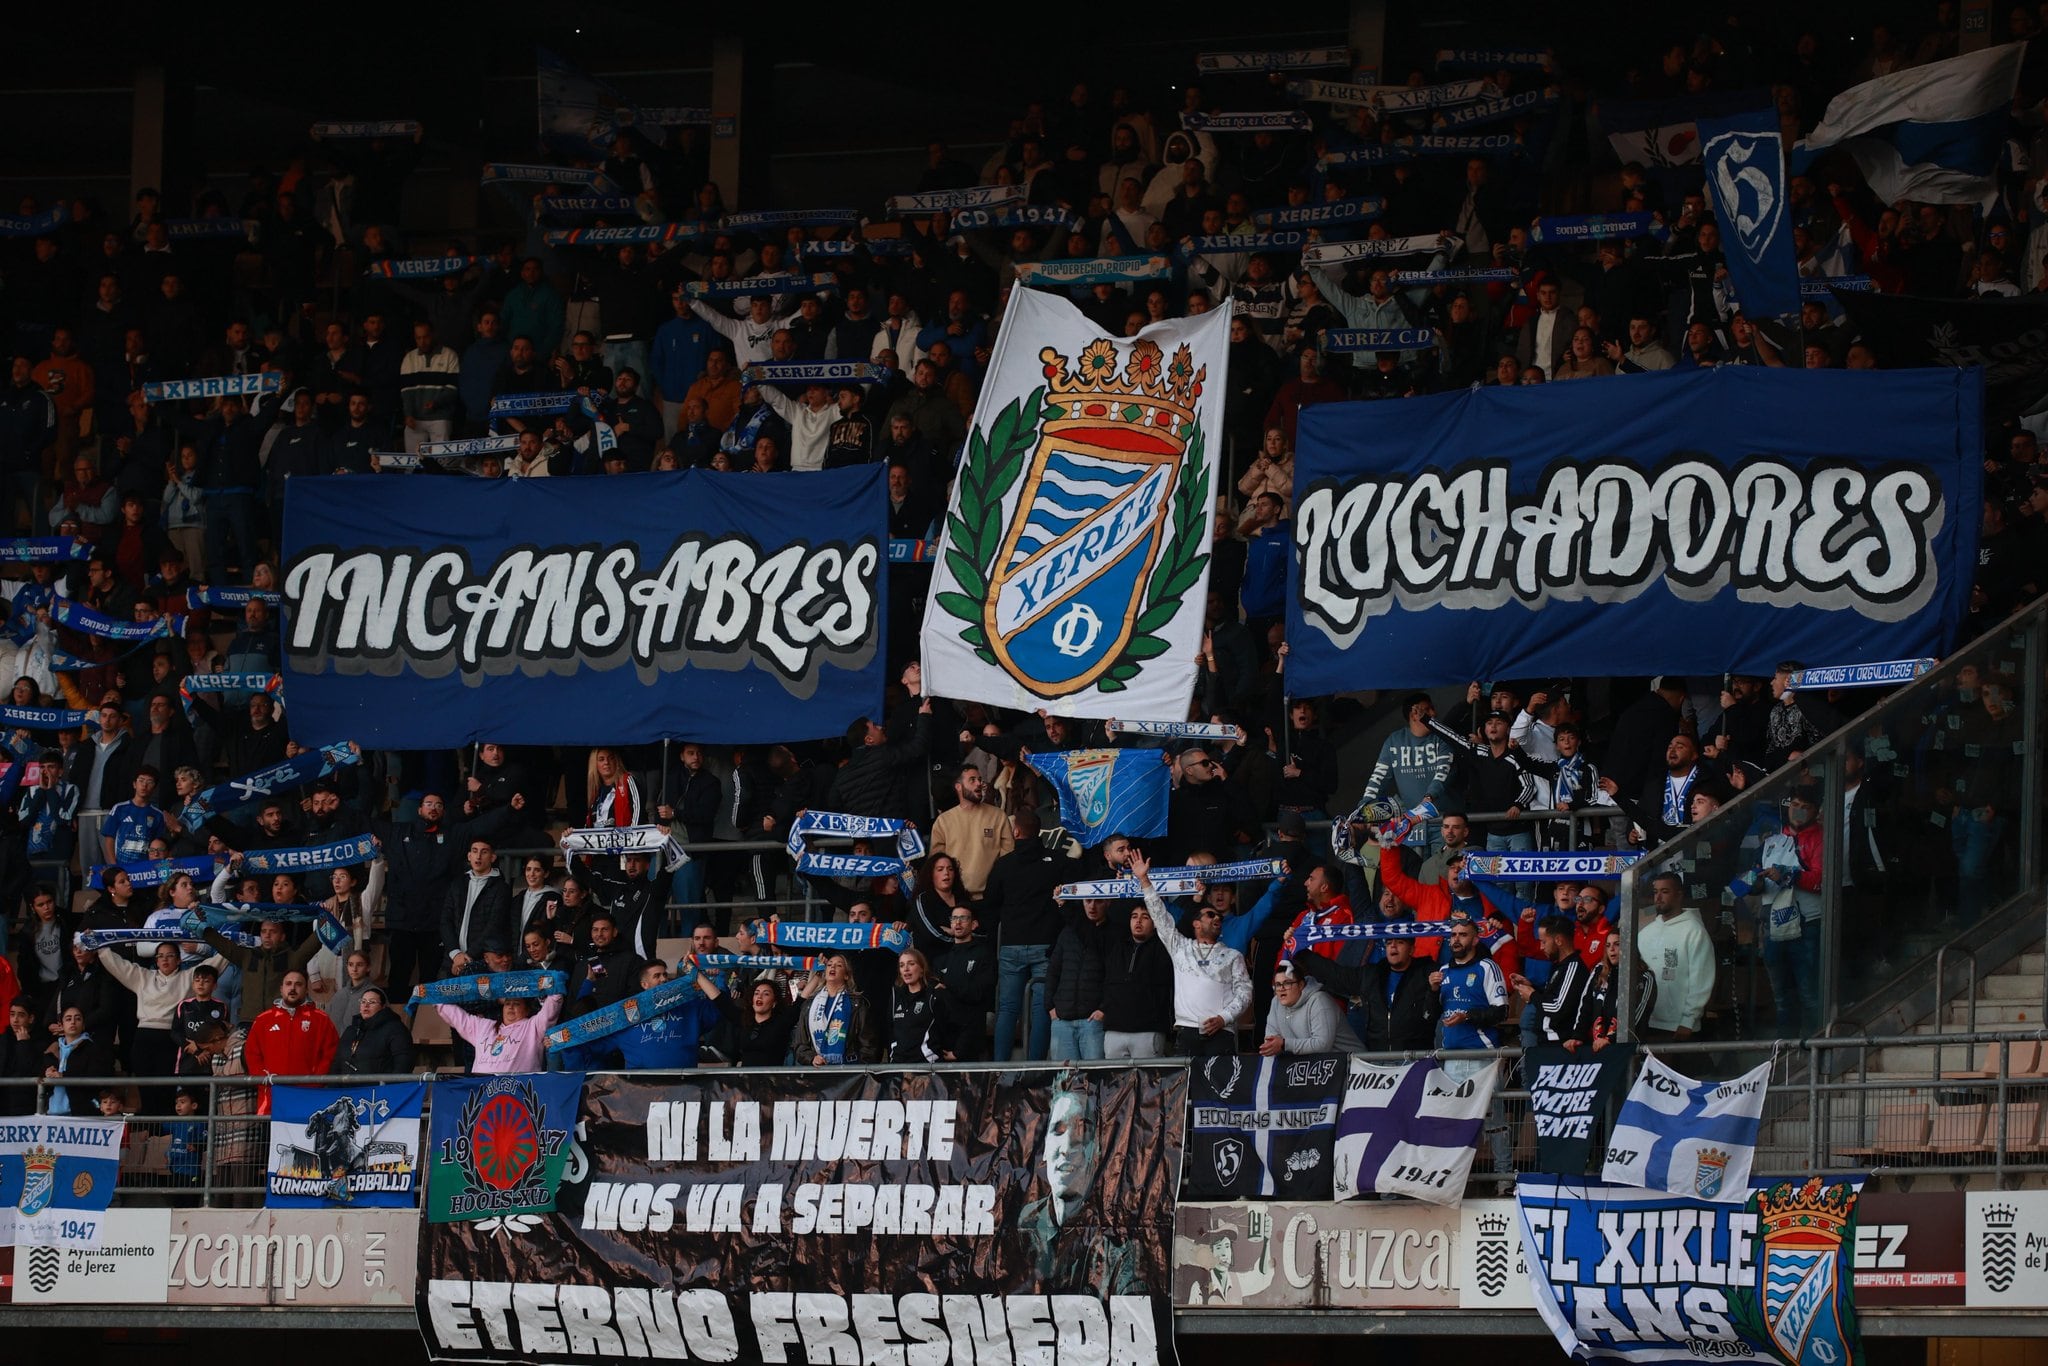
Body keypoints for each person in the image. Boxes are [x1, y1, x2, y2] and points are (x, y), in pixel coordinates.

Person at [1132, 850, 1250, 1057]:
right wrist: (1144, 880)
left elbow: (1245, 992)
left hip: (1222, 1032)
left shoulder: (1233, 955)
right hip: (1187, 1032)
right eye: (1210, 914)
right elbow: (1160, 917)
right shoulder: (1180, 947)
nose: (1216, 918)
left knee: (1221, 1089)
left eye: (1219, 918)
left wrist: (1224, 1017)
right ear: (1196, 923)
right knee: (1186, 1089)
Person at [982, 809, 1067, 1062]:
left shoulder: (1003, 865)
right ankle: (1036, 1067)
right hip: (1046, 946)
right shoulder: (1059, 862)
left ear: (1016, 832)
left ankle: (999, 1067)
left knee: (1007, 1009)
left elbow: (990, 906)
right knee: (1041, 1009)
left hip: (1011, 946)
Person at [1292, 931, 1440, 1051]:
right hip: (1378, 1060)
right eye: (1389, 942)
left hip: (1416, 1061)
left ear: (1412, 949)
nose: (1393, 946)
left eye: (1400, 942)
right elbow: (1336, 975)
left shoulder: (1426, 973)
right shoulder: (1372, 975)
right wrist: (1299, 951)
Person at [1638, 870, 1715, 1043]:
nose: (1658, 897)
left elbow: (1701, 980)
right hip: (1645, 1021)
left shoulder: (1694, 931)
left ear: (1679, 895)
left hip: (1678, 1026)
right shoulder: (1646, 933)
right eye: (1655, 892)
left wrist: (1689, 1020)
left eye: (1665, 892)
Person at [243, 970, 338, 1111]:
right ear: (281, 989)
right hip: (272, 1099)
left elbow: (331, 1053)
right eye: (288, 984)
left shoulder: (321, 1019)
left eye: (298, 984)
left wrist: (315, 1081)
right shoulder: (263, 1020)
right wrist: (264, 1078)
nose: (293, 988)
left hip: (309, 1098)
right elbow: (252, 1054)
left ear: (306, 989)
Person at [926, 763, 1013, 898]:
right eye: (972, 780)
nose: (978, 783)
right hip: (955, 898)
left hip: (991, 897)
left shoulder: (998, 816)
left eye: (979, 779)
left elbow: (1008, 859)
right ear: (958, 787)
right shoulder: (943, 821)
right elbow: (936, 863)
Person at [1510, 915, 1594, 1047]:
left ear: (1559, 940)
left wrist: (1532, 995)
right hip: (1547, 1044)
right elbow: (1555, 997)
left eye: (1544, 942)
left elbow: (1558, 1007)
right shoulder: (1559, 966)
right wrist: (1532, 987)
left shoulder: (1573, 967)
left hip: (1560, 1046)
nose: (1541, 947)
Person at [437, 990, 563, 1075]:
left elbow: (552, 1006)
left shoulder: (533, 1026)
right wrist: (436, 998)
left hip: (519, 1094)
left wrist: (554, 985)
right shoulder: (484, 1026)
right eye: (507, 1003)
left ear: (527, 1010)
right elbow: (459, 1018)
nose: (510, 1007)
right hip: (482, 1092)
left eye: (516, 1004)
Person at [1046, 896, 1110, 1061]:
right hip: (1062, 1020)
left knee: (1094, 1081)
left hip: (1092, 1021)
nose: (1092, 906)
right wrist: (1051, 1007)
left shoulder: (1112, 934)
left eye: (1098, 901)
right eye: (1088, 901)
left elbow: (1114, 976)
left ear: (1108, 902)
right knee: (1063, 1083)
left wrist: (1103, 1009)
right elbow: (1053, 971)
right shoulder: (1067, 933)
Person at [792, 953, 881, 1065]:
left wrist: (859, 1069)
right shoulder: (810, 1004)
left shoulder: (857, 1003)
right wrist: (811, 1058)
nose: (833, 967)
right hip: (818, 1072)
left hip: (850, 1073)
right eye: (829, 965)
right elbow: (800, 1044)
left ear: (846, 975)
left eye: (839, 965)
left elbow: (868, 1043)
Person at [1261, 959, 1363, 1054]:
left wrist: (1284, 1044)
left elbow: (1322, 1045)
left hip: (1354, 1064)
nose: (1281, 989)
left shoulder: (1320, 1001)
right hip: (1315, 1065)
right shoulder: (1276, 1002)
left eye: (1287, 983)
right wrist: (1272, 1046)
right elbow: (1271, 1039)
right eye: (1278, 984)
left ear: (1301, 985)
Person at [696, 974, 796, 1067]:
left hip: (773, 1082)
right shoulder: (744, 1020)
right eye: (756, 993)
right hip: (746, 1082)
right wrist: (696, 973)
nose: (759, 996)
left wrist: (812, 966)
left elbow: (802, 999)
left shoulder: (782, 1022)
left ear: (774, 1003)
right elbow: (719, 999)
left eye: (766, 994)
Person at [42, 1004, 114, 1116]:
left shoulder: (93, 1049)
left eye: (78, 1018)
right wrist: (46, 1074)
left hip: (80, 1115)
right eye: (68, 1019)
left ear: (84, 1025)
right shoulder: (51, 1050)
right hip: (51, 1114)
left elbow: (98, 1077)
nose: (73, 1022)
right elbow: (35, 1074)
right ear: (61, 1025)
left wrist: (64, 1076)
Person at [330, 986, 416, 1074]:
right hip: (347, 1087)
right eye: (363, 1001)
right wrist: (333, 1086)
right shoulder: (350, 1030)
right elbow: (337, 1062)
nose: (366, 1005)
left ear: (383, 1007)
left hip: (378, 1087)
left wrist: (388, 1087)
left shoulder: (395, 1029)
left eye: (372, 1002)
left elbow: (404, 1063)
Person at [888, 949, 940, 1063]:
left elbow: (946, 1029)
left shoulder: (933, 995)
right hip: (897, 1067)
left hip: (926, 1068)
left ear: (922, 970)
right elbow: (891, 1031)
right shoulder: (896, 998)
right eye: (902, 965)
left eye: (911, 964)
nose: (906, 969)